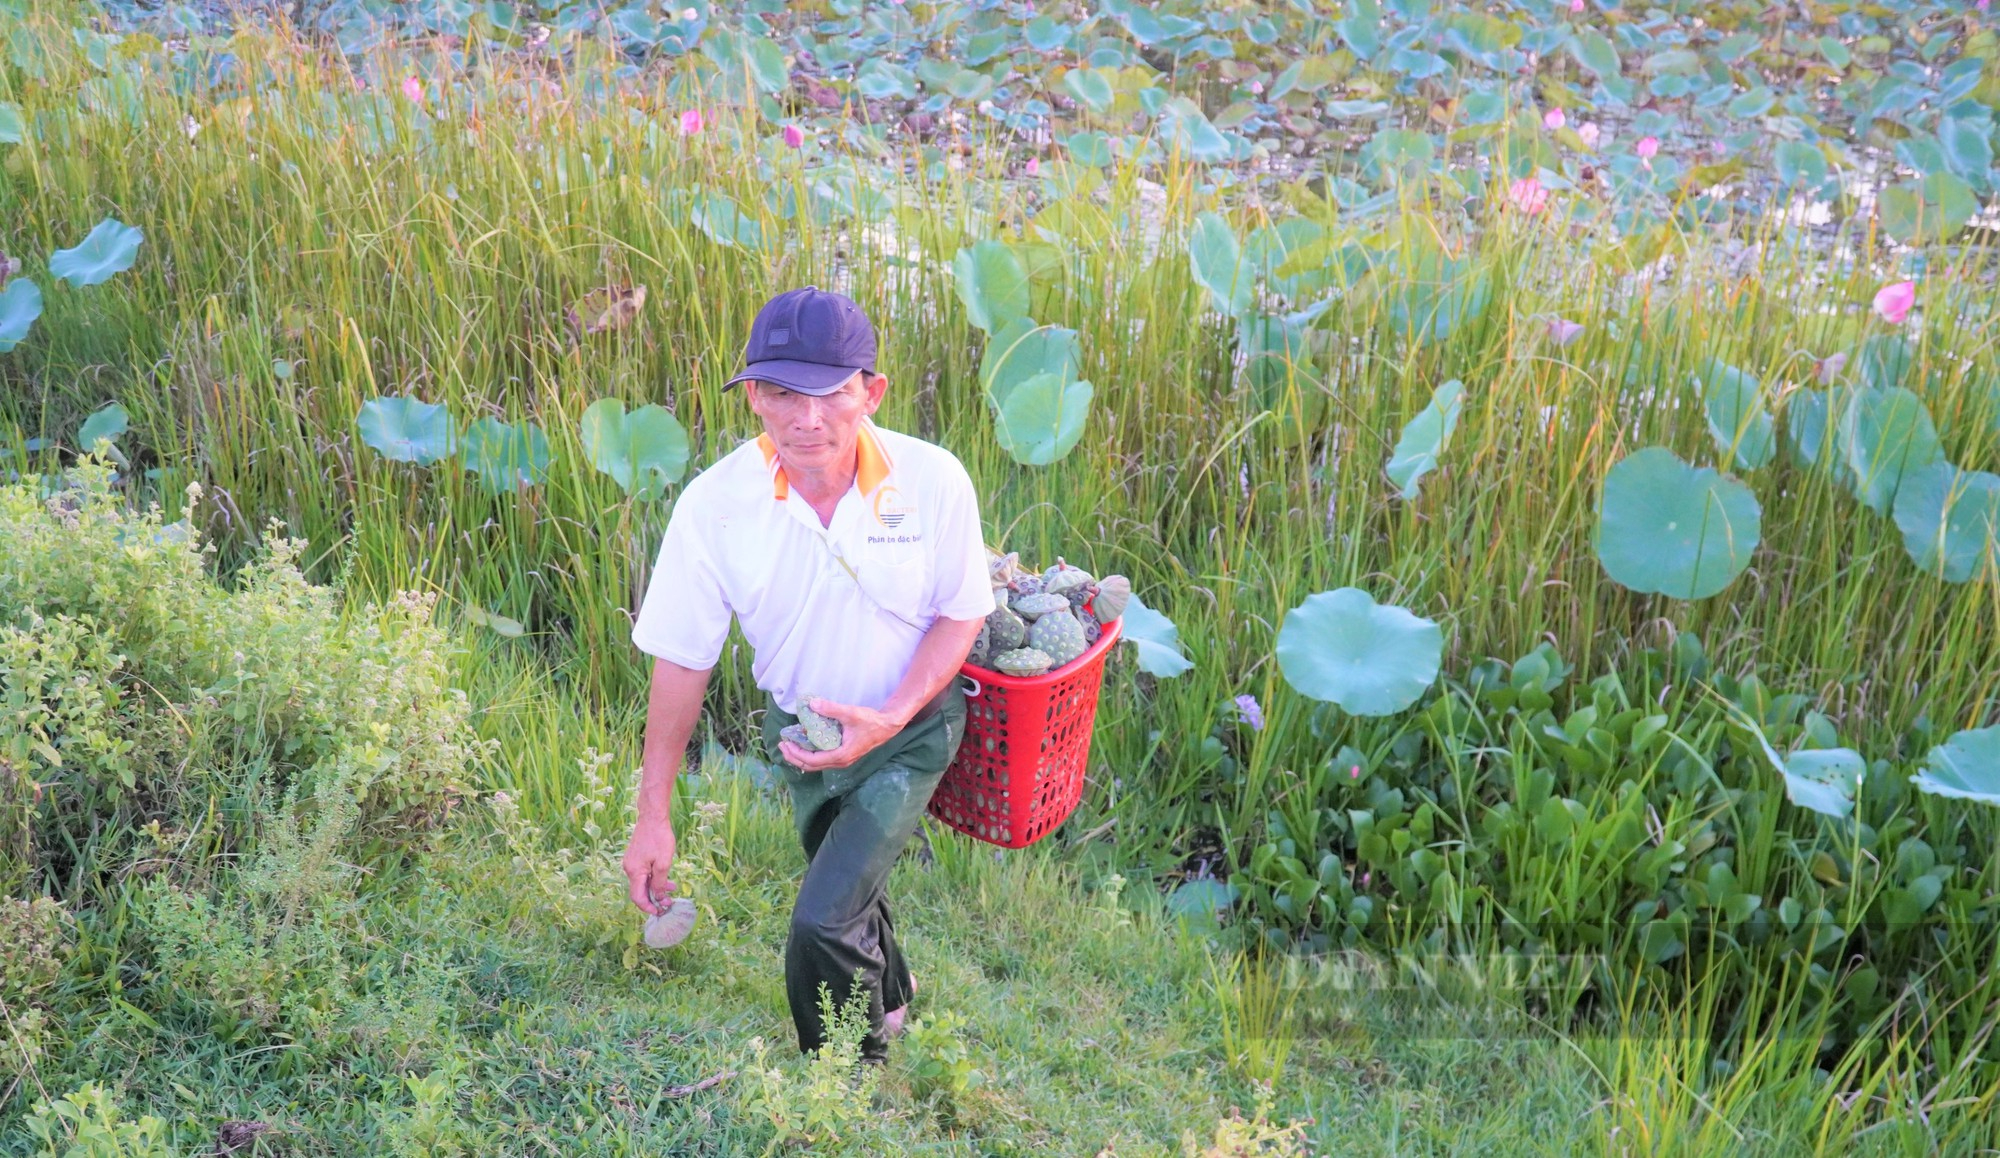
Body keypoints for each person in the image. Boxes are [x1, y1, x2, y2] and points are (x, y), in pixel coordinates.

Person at [621, 285, 994, 1065]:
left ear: (871, 392)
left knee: (821, 921)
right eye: (782, 392)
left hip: (911, 728)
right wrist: (653, 813)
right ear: (753, 395)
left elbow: (962, 614)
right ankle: (893, 1001)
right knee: (850, 883)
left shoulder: (932, 481)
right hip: (805, 733)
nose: (806, 416)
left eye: (831, 392)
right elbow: (682, 661)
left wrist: (891, 716)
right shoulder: (714, 506)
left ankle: (846, 1073)